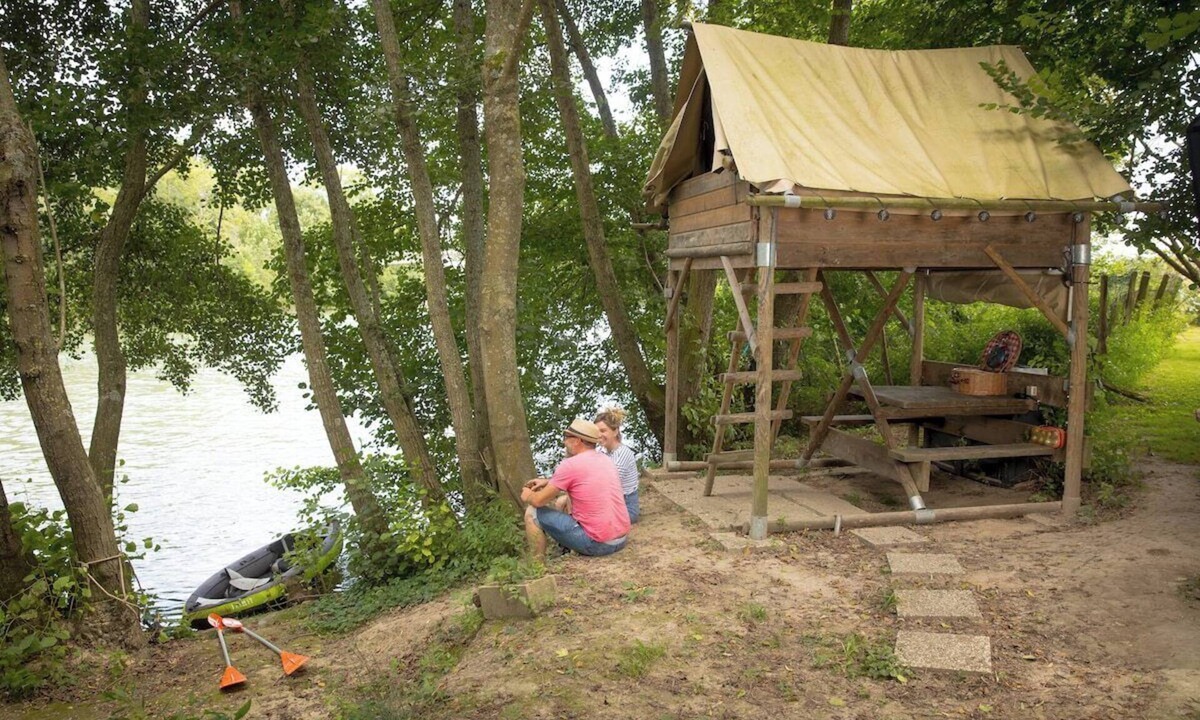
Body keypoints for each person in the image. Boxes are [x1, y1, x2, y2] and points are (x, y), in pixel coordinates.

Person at [522, 419, 630, 559]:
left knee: (532, 512)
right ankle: (562, 550)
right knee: (562, 503)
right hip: (621, 538)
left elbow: (538, 501)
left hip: (598, 544)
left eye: (567, 437)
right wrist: (548, 482)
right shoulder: (605, 459)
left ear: (577, 440)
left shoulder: (569, 465)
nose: (564, 441)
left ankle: (537, 567)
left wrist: (528, 495)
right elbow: (584, 484)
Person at [594, 407, 640, 523]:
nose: (599, 435)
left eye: (603, 431)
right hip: (611, 503)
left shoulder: (623, 453)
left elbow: (608, 484)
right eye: (596, 431)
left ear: (615, 431)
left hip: (626, 508)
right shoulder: (602, 452)